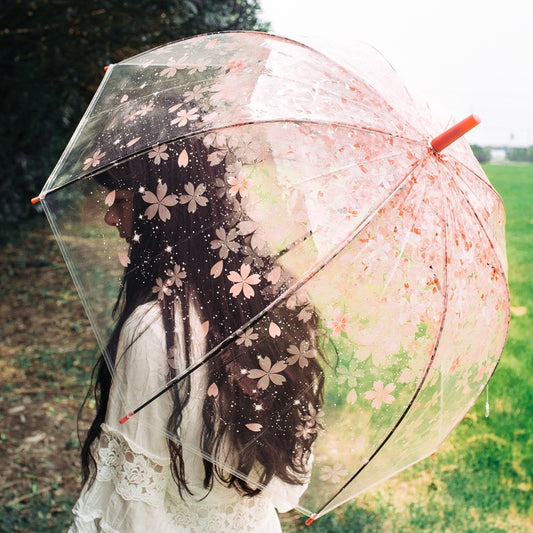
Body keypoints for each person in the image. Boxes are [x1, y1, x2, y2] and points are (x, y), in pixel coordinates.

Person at [69, 134, 325, 532]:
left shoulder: (155, 332)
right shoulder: (270, 309)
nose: (110, 217)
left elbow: (135, 506)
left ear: (164, 210)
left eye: (120, 201)